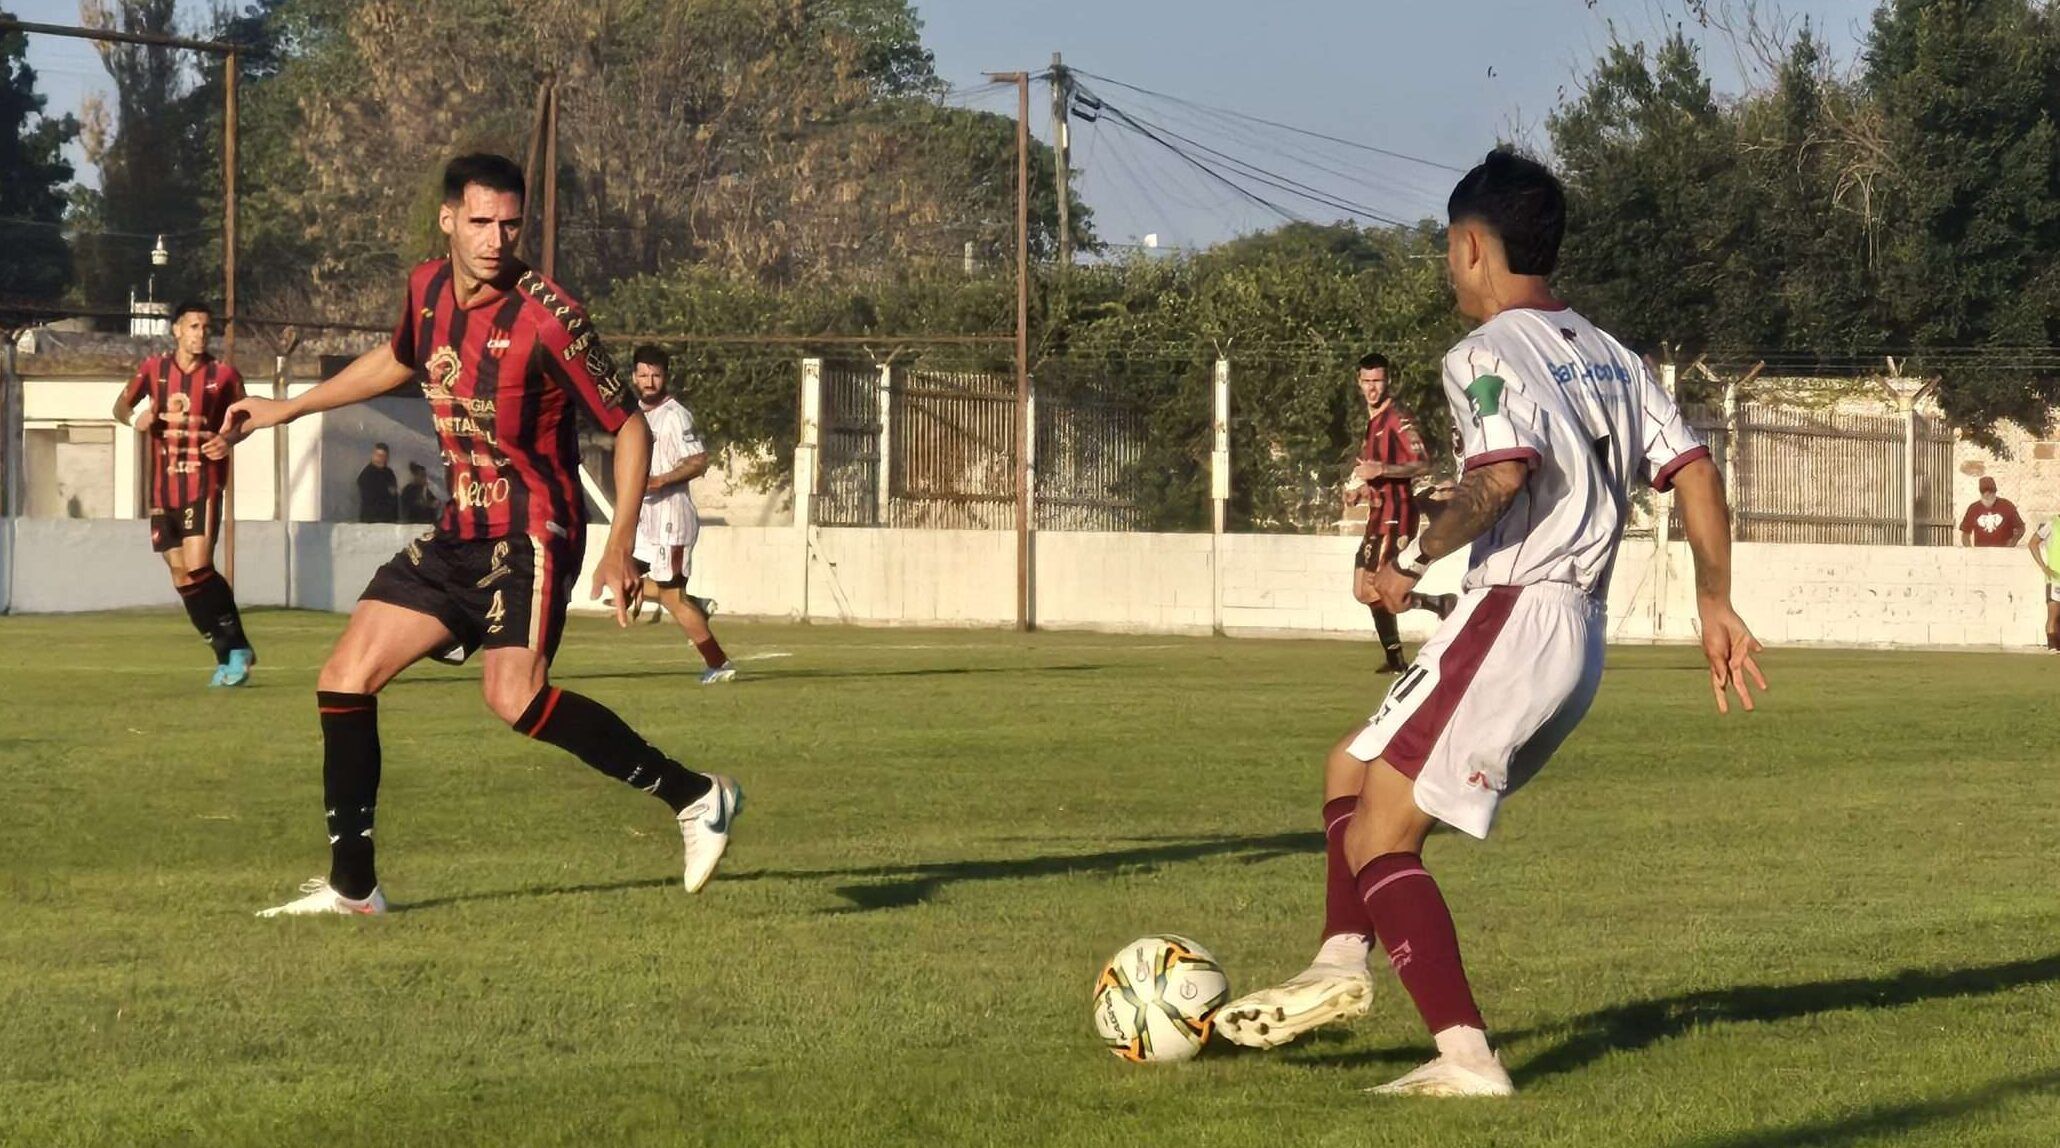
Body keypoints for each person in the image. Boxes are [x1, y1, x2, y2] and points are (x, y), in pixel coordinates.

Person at [1214, 149, 1766, 1097]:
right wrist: (1714, 597)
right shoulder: (1615, 356)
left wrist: (1411, 558)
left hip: (1516, 614)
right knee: (1349, 765)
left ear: (1472, 246)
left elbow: (1497, 478)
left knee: (1382, 837)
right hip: (1571, 630)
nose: (1447, 264)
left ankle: (1466, 1059)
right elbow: (1697, 475)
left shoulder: (1483, 355)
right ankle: (1342, 957)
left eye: (1446, 246)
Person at [220, 153, 743, 917]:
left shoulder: (550, 316)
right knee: (343, 678)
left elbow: (626, 425)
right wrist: (286, 408)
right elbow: (397, 359)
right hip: (458, 529)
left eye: (509, 223)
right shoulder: (425, 288)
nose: (497, 238)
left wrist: (619, 540)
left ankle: (697, 796)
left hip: (530, 533)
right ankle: (355, 888)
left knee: (513, 698)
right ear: (448, 220)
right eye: (480, 222)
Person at [110, 300, 258, 686]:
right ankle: (224, 653)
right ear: (176, 330)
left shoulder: (223, 375)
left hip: (203, 483)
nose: (200, 333)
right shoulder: (152, 370)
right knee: (180, 575)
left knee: (197, 564)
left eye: (205, 328)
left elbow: (247, 419)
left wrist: (227, 439)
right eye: (193, 326)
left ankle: (238, 645)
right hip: (163, 489)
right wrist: (135, 419)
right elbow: (119, 407)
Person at [626, 346, 737, 683]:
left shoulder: (676, 415)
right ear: (634, 376)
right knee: (623, 579)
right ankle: (696, 605)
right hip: (648, 520)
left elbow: (699, 460)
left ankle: (719, 664)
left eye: (655, 374)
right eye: (643, 374)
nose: (649, 381)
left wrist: (661, 480)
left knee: (673, 599)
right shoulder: (638, 414)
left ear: (666, 376)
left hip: (671, 519)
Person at [1345, 351, 1456, 672]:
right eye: (1366, 381)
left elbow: (1421, 462)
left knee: (1378, 586)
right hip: (1377, 515)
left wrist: (1381, 468)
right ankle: (1436, 604)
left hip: (1397, 515)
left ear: (1388, 380)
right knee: (1362, 591)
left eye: (1377, 381)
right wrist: (1361, 490)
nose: (1372, 388)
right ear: (1358, 382)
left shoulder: (1397, 419)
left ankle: (1396, 659)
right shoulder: (1372, 422)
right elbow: (1375, 475)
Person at [1959, 477, 2024, 548]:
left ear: (1995, 492)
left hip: (2003, 552)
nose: (1988, 495)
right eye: (1985, 494)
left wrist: (2012, 544)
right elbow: (1965, 533)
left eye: (1991, 493)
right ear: (1981, 494)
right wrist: (1970, 550)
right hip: (1981, 552)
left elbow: (2020, 528)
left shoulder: (2007, 506)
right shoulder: (1973, 509)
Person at [2029, 513, 2060, 652]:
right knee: (2054, 613)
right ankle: (2053, 645)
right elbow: (2033, 543)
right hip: (2055, 578)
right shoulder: (2052, 524)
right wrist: (2043, 566)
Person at [357, 443, 400, 523]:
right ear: (373, 455)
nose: (380, 458)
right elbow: (368, 498)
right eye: (378, 455)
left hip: (388, 520)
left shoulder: (389, 474)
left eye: (383, 456)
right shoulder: (367, 474)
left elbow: (394, 496)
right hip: (371, 520)